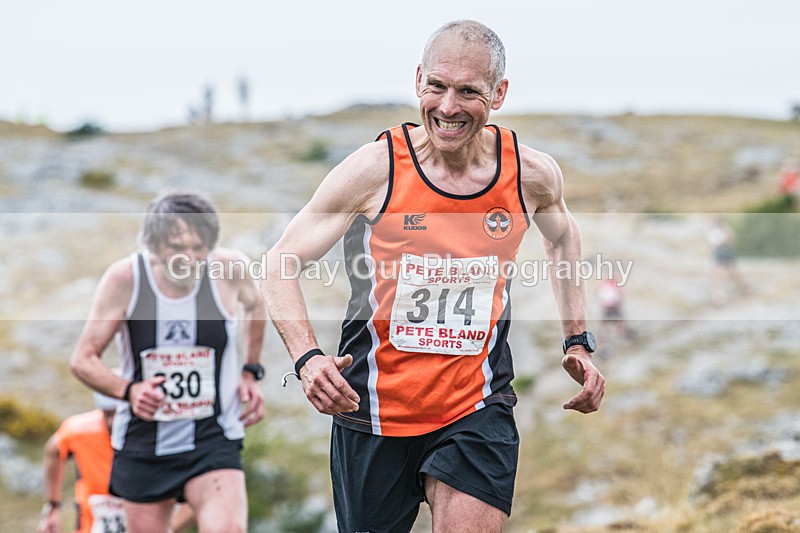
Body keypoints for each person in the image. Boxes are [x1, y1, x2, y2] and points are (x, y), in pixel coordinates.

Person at [264, 20, 605, 532]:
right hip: (373, 409)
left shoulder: (529, 175)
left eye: (468, 92)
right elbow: (280, 262)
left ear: (499, 94)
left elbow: (562, 237)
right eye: (437, 86)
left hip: (476, 405)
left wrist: (577, 340)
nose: (448, 107)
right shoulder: (376, 169)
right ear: (418, 80)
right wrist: (308, 359)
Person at [70, 191, 267, 533]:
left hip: (213, 436)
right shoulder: (125, 279)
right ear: (155, 246)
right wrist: (130, 391)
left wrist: (250, 371)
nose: (189, 259)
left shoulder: (229, 270)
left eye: (198, 248)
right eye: (177, 248)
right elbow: (83, 359)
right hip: (144, 441)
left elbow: (256, 305)